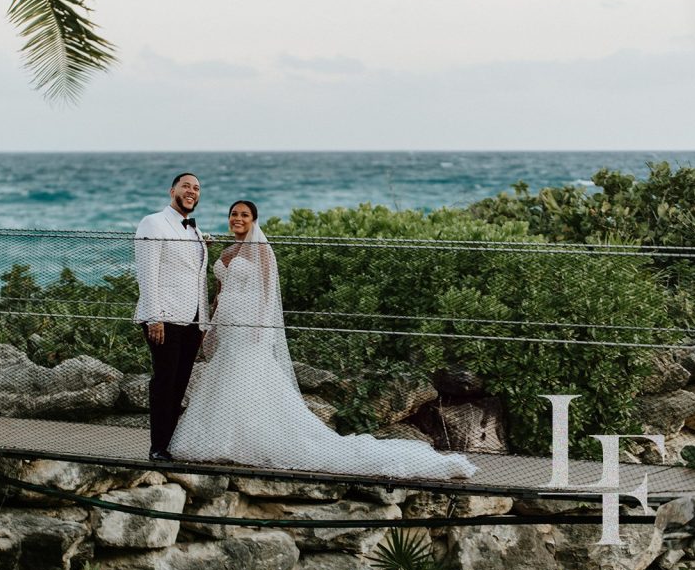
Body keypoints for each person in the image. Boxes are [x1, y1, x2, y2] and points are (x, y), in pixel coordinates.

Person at [169, 200, 477, 480]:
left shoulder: (260, 250)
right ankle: (227, 437)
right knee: (226, 377)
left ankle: (248, 440)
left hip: (250, 325)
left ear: (254, 220)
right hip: (228, 324)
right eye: (234, 215)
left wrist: (257, 326)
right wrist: (210, 324)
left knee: (248, 377)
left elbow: (266, 293)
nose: (238, 219)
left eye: (244, 215)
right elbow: (220, 293)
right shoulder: (226, 253)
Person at [134, 172, 209, 462]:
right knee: (165, 382)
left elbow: (197, 277)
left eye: (197, 188)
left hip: (192, 321)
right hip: (163, 317)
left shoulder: (195, 231)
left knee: (180, 384)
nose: (192, 191)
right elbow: (147, 273)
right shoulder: (153, 223)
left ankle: (169, 443)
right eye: (186, 186)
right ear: (172, 190)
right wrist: (154, 317)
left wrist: (203, 321)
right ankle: (157, 448)